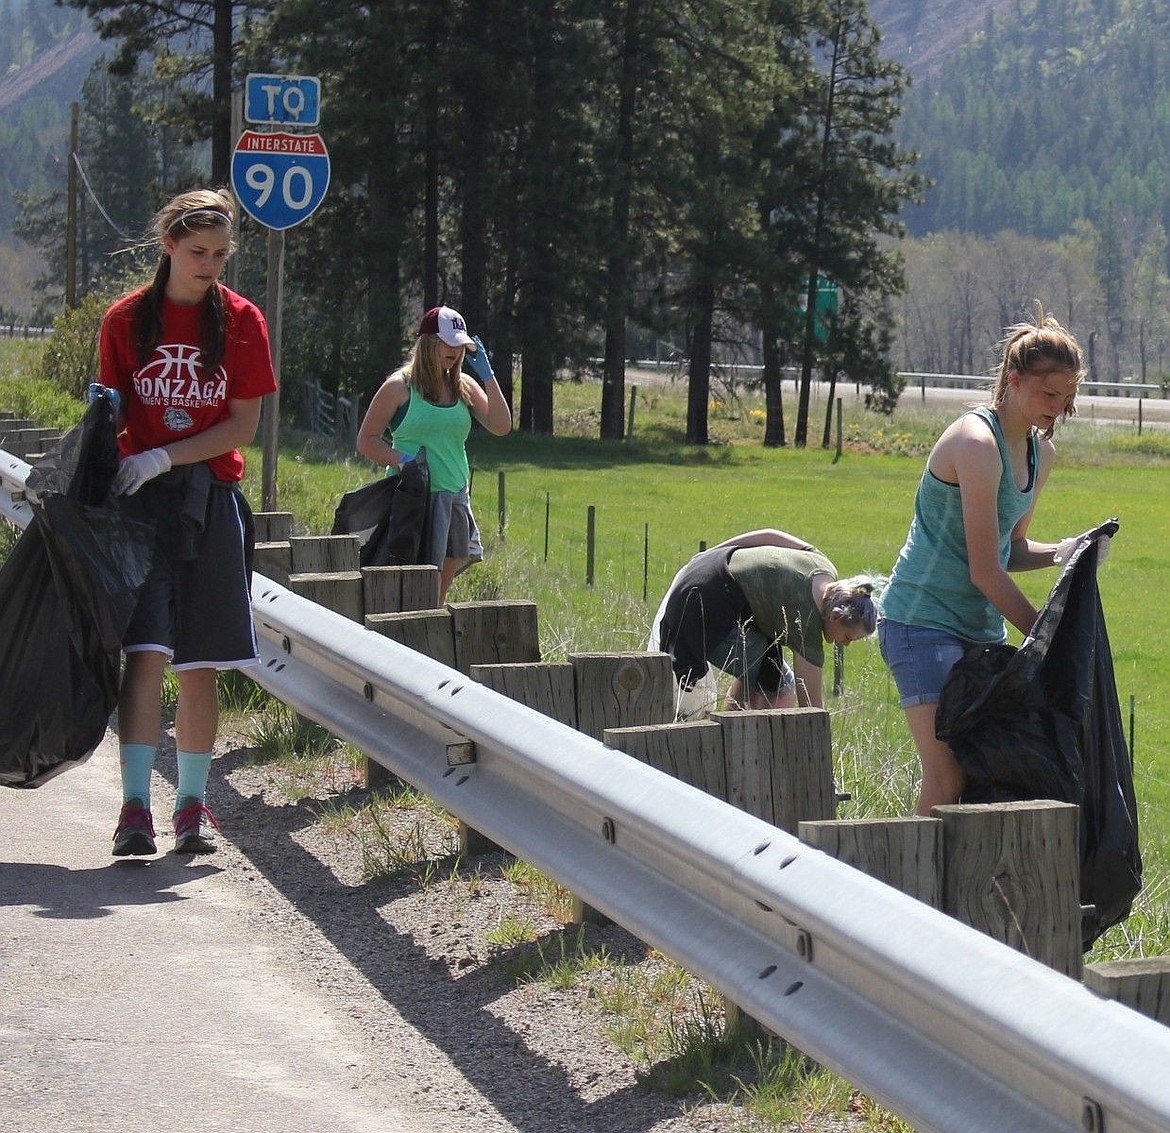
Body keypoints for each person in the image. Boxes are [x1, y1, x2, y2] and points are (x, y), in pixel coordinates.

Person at [90, 187, 277, 857]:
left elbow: (242, 424)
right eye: (198, 252)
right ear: (167, 244)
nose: (210, 265)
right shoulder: (125, 320)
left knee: (201, 662)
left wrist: (167, 453)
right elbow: (110, 411)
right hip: (140, 508)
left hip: (208, 500)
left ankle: (192, 806)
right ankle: (135, 807)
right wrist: (115, 458)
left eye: (221, 254)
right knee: (145, 654)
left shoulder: (242, 321)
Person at [878, 305, 1093, 816]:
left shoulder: (1042, 453)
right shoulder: (976, 443)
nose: (1058, 407)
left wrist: (1068, 551)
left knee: (986, 771)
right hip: (920, 623)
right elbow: (984, 569)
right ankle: (910, 888)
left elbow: (1011, 548)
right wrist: (1044, 639)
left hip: (979, 632)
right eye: (1048, 394)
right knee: (948, 774)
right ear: (1014, 381)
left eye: (1067, 398)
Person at [356, 305, 512, 602]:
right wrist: (403, 461)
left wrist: (488, 376)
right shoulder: (399, 387)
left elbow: (501, 426)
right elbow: (366, 440)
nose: (455, 351)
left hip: (454, 500)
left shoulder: (463, 386)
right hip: (413, 501)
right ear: (429, 343)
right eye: (448, 342)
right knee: (408, 585)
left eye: (460, 345)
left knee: (436, 593)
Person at [649, 528, 883, 719]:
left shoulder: (823, 566)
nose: (846, 644)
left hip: (706, 568)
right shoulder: (807, 621)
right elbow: (812, 709)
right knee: (779, 685)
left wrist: (711, 553)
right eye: (848, 637)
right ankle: (738, 742)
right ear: (836, 616)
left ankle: (729, 730)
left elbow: (768, 535)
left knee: (764, 667)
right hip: (702, 606)